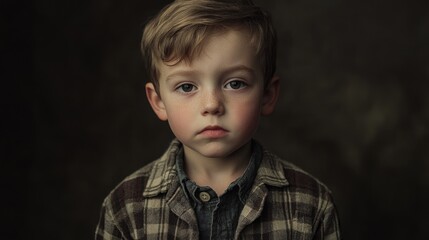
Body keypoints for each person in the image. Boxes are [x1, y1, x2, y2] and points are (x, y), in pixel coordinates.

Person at [95, 0, 341, 239]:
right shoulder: (125, 207)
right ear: (158, 102)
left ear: (267, 95)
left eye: (235, 84)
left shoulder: (311, 204)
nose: (212, 105)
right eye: (187, 86)